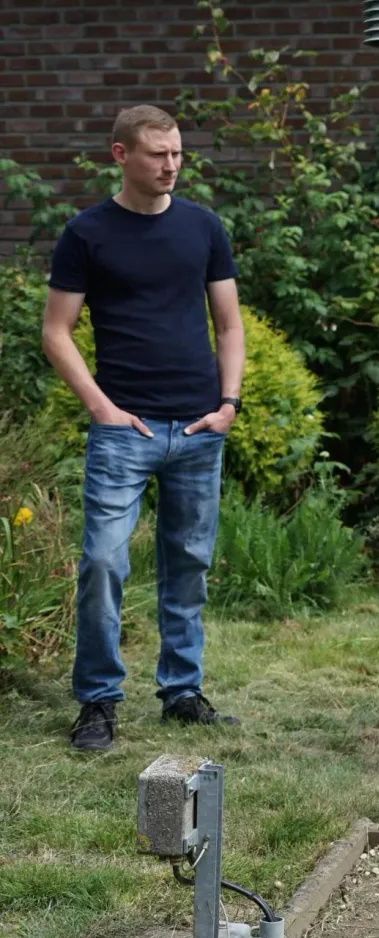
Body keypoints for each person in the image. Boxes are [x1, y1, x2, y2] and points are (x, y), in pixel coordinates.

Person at [42, 105, 245, 751]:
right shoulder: (86, 234)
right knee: (102, 561)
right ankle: (98, 702)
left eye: (178, 154)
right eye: (157, 154)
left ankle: (181, 691)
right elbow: (55, 331)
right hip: (121, 429)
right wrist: (101, 408)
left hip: (196, 427)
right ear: (119, 154)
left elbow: (230, 325)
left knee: (188, 564)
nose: (170, 166)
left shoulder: (203, 228)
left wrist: (229, 404)